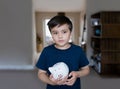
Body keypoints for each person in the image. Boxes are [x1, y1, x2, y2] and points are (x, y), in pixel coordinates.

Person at [36, 15, 90, 89]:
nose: (60, 36)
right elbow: (41, 73)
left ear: (70, 33)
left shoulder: (78, 50)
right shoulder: (46, 51)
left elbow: (86, 70)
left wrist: (77, 74)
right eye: (55, 33)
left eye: (64, 32)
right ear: (51, 35)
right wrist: (51, 82)